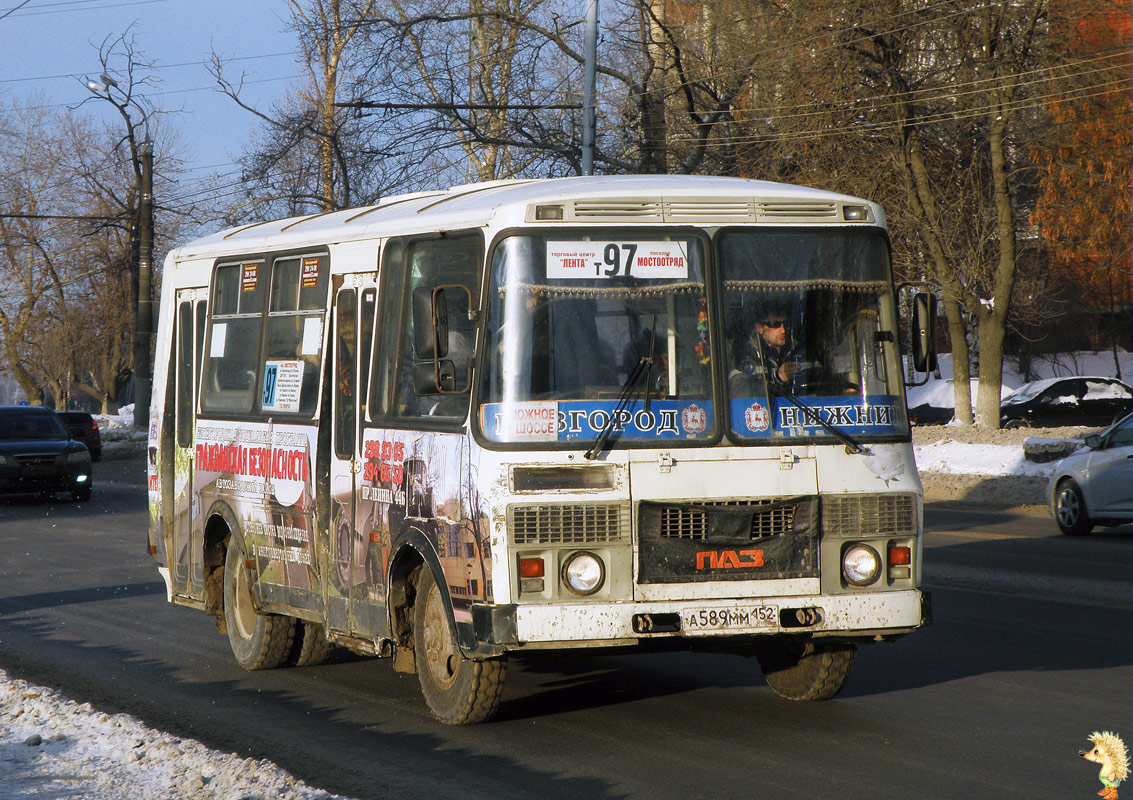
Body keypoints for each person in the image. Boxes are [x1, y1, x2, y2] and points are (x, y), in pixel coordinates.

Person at [729, 304, 801, 395]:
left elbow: (816, 390)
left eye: (786, 324)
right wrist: (777, 379)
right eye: (775, 324)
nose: (783, 330)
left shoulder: (799, 351)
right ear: (760, 328)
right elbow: (741, 395)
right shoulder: (745, 357)